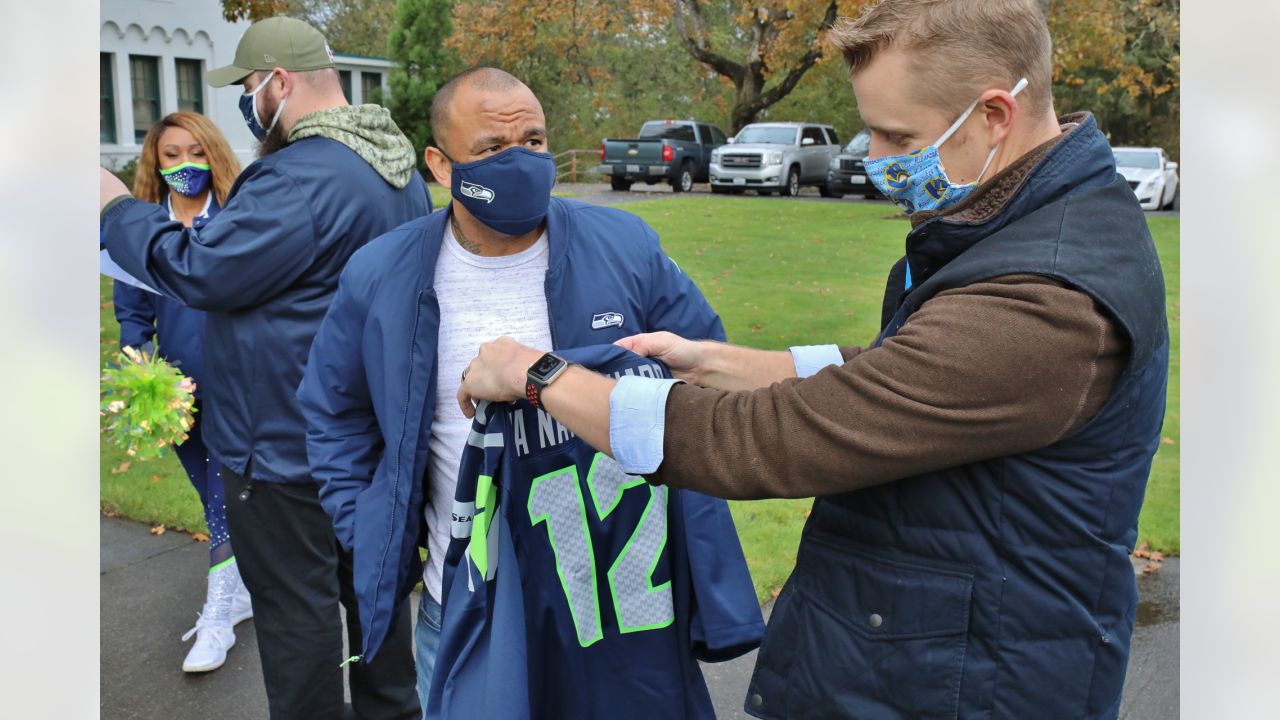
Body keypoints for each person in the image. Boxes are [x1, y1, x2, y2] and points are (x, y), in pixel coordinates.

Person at [454, 1, 1169, 717]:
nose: (876, 159)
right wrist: (725, 363)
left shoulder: (1047, 301)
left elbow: (767, 441)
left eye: (897, 135)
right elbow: (906, 368)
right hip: (930, 659)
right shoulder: (1023, 224)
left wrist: (537, 375)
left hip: (971, 686)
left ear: (993, 116)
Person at [295, 67, 750, 712]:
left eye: (534, 141)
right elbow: (334, 414)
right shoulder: (382, 273)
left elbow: (708, 384)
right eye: (491, 149)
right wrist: (368, 526)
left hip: (616, 611)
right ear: (441, 164)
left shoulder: (623, 245)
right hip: (468, 606)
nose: (521, 160)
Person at [99, 16, 431, 719]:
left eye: (249, 85)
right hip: (363, 435)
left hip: (285, 445)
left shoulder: (301, 176)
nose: (248, 102)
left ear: (279, 82)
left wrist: (117, 212)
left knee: (297, 623)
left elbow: (201, 269)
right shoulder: (389, 163)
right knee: (375, 608)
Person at [112, 111, 252, 673]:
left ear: (213, 155)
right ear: (156, 161)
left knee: (225, 500)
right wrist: (135, 372)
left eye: (196, 151)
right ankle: (241, 591)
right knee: (210, 494)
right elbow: (132, 316)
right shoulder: (144, 229)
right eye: (171, 155)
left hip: (240, 384)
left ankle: (219, 616)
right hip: (173, 391)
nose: (185, 164)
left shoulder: (240, 219)